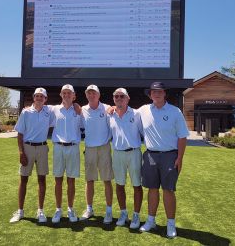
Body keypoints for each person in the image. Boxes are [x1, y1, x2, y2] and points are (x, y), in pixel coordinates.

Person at [138, 82, 189, 238]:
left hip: (170, 155)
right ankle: (151, 221)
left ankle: (171, 224)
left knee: (168, 190)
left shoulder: (175, 111)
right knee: (152, 189)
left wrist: (179, 158)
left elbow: (182, 136)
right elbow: (125, 111)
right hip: (151, 155)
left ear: (164, 93)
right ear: (150, 94)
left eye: (159, 91)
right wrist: (111, 108)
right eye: (154, 91)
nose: (156, 94)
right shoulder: (143, 110)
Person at [9, 87, 54, 224]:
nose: (39, 98)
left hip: (42, 147)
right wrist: (21, 152)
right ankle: (20, 211)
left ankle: (40, 211)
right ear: (34, 98)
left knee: (42, 180)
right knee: (23, 180)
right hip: (27, 147)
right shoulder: (26, 112)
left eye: (42, 96)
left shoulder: (49, 111)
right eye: (37, 96)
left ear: (45, 99)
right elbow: (20, 133)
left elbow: (64, 106)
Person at [107, 88, 143, 229]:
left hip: (134, 153)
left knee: (136, 185)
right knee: (119, 185)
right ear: (114, 99)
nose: (119, 98)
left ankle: (136, 215)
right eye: (116, 96)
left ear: (128, 98)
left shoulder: (136, 114)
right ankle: (123, 213)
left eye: (122, 96)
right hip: (118, 153)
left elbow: (143, 132)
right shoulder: (110, 115)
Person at [79, 85, 114, 224]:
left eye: (94, 93)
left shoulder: (107, 108)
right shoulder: (82, 110)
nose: (91, 95)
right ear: (86, 95)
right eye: (89, 93)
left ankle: (109, 211)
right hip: (89, 148)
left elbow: (112, 126)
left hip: (104, 148)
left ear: (98, 95)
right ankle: (89, 209)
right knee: (89, 180)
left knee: (107, 180)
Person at [50, 84, 82, 223]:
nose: (67, 95)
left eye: (69, 93)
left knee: (71, 180)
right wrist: (27, 107)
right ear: (61, 95)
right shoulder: (53, 110)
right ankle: (58, 209)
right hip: (58, 147)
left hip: (73, 148)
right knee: (58, 180)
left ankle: (70, 208)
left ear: (74, 96)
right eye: (64, 93)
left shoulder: (79, 111)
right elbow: (38, 107)